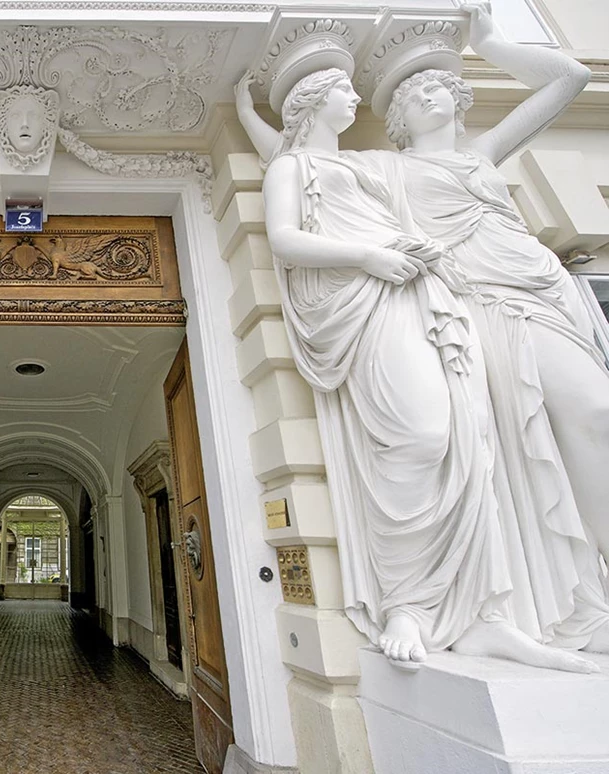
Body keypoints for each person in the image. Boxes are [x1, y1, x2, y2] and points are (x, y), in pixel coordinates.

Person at [238, 65, 594, 673]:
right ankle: (410, 602)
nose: (357, 95)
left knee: (470, 443)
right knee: (424, 436)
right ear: (313, 103)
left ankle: (487, 613)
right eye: (341, 88)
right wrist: (372, 255)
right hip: (368, 295)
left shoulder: (374, 166)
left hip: (426, 298)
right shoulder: (294, 167)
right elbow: (285, 230)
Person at [367, 1, 609, 653]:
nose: (430, 93)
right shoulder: (390, 172)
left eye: (439, 85)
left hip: (542, 291)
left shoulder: (482, 155)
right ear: (396, 118)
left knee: (595, 413)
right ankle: (569, 595)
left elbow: (568, 80)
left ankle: (597, 591)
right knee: (529, 443)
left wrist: (492, 37)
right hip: (481, 312)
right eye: (416, 90)